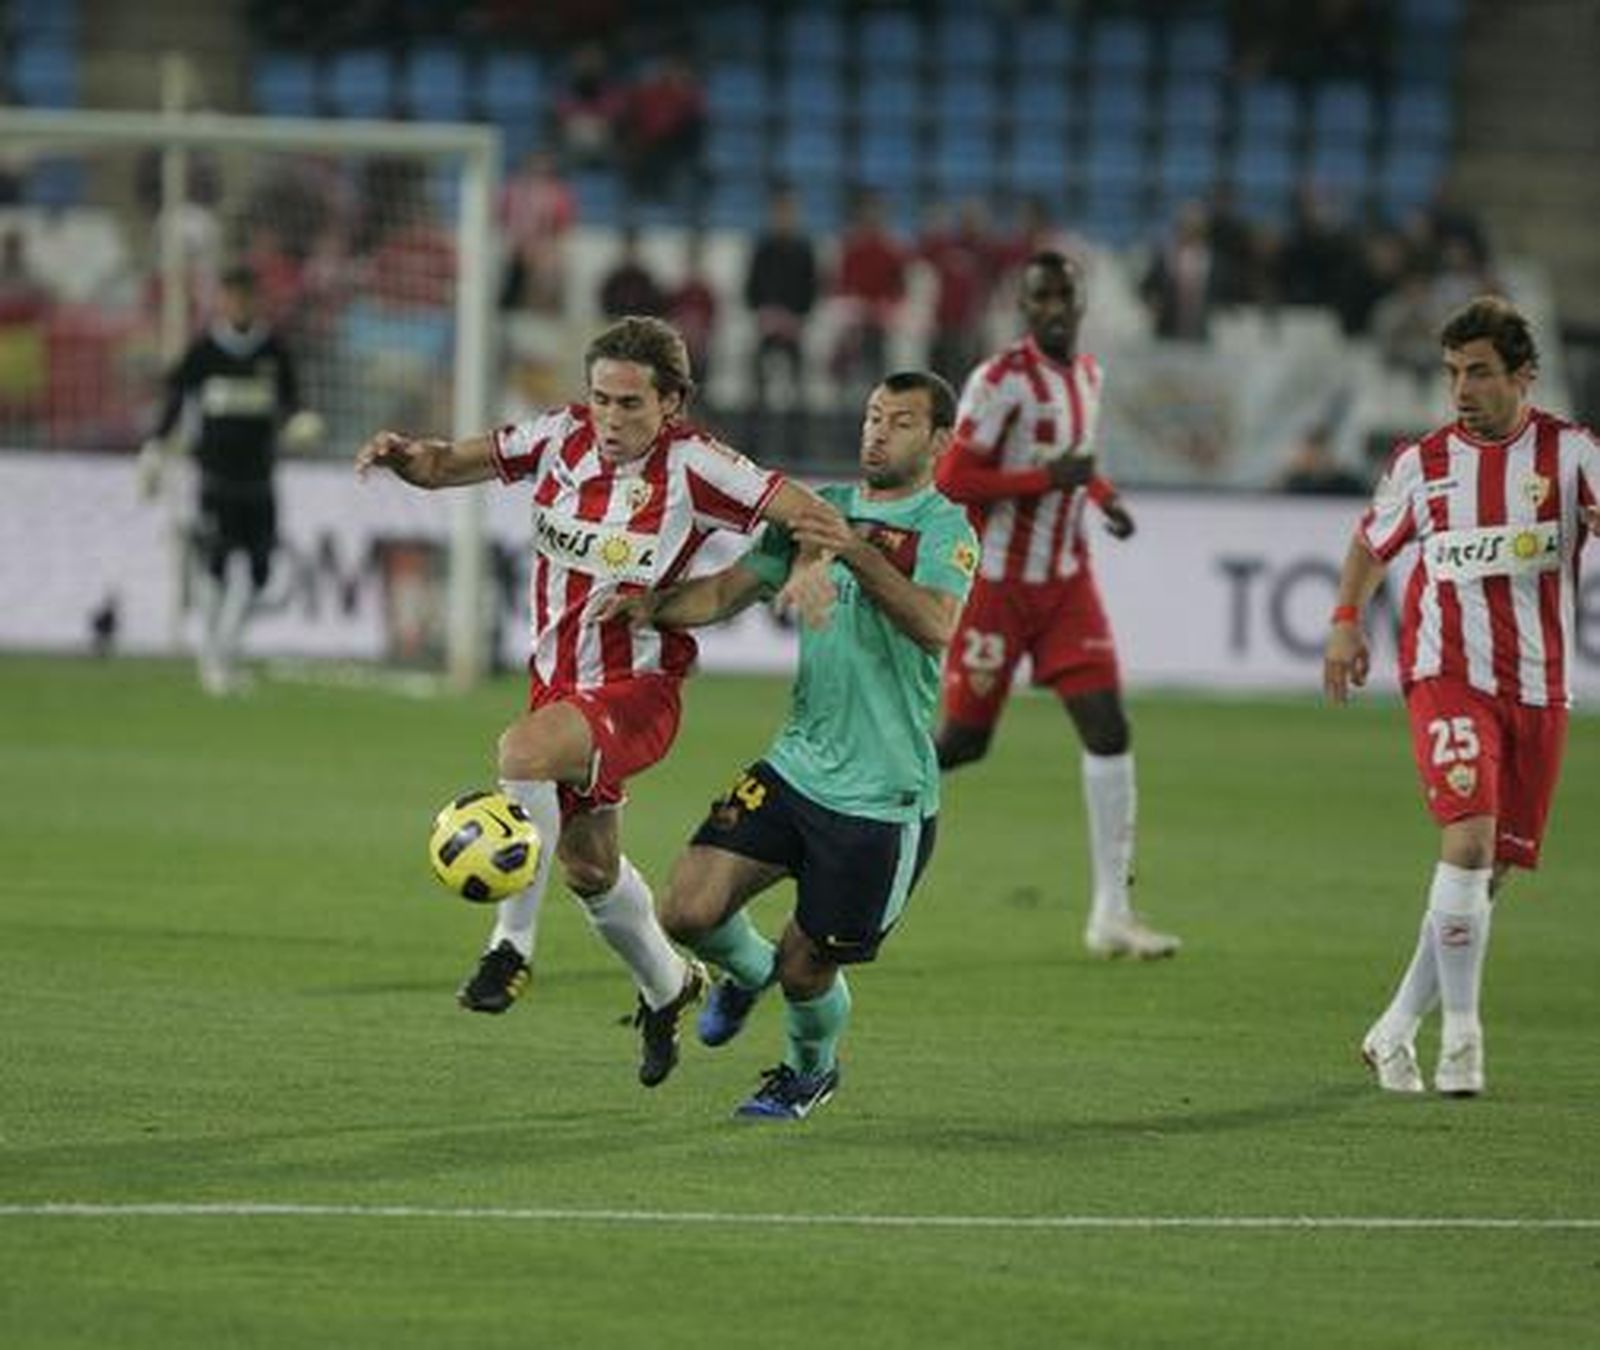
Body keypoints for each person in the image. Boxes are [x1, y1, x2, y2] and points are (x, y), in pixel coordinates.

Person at [353, 315, 838, 1089]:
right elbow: (448, 465)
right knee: (588, 868)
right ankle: (669, 987)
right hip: (558, 680)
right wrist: (410, 458)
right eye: (601, 399)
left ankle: (509, 948)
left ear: (672, 402)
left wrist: (807, 564)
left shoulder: (699, 466)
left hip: (639, 687)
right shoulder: (559, 437)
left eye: (631, 404)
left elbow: (814, 513)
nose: (611, 420)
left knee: (521, 750)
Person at [603, 370, 978, 1120]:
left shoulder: (946, 529)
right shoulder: (818, 512)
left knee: (808, 968)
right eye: (873, 415)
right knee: (686, 910)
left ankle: (809, 1069)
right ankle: (745, 972)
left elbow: (935, 625)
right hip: (796, 765)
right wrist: (652, 608)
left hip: (883, 796)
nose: (877, 431)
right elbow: (725, 591)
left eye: (900, 422)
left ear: (939, 440)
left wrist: (855, 554)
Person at [1324, 295, 1600, 1098]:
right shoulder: (1425, 462)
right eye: (1452, 373)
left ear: (1525, 376)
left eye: (1478, 372)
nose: (1461, 389)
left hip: (1540, 690)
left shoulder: (1573, 456)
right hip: (1446, 673)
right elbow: (1369, 543)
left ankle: (1395, 1027)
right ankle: (1465, 1043)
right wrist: (1345, 621)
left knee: (1486, 874)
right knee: (1470, 840)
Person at [933, 250, 1180, 960]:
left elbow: (1079, 460)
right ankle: (859, 800)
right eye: (1039, 298)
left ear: (1080, 302)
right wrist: (1048, 478)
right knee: (963, 743)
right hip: (999, 585)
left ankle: (1113, 912)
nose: (1053, 309)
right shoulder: (999, 381)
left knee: (1108, 727)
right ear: (1024, 305)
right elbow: (953, 479)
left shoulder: (1089, 375)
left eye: (1063, 297)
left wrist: (1103, 500)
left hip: (1068, 581)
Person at [138, 263, 323, 695]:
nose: (238, 304)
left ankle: (227, 652)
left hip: (260, 478)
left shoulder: (273, 351)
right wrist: (154, 447)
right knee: (217, 567)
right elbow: (175, 403)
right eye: (231, 296)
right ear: (221, 301)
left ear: (255, 301)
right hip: (214, 479)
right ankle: (214, 659)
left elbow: (293, 404)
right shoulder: (204, 352)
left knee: (259, 572)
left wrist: (301, 422)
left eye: (245, 297)